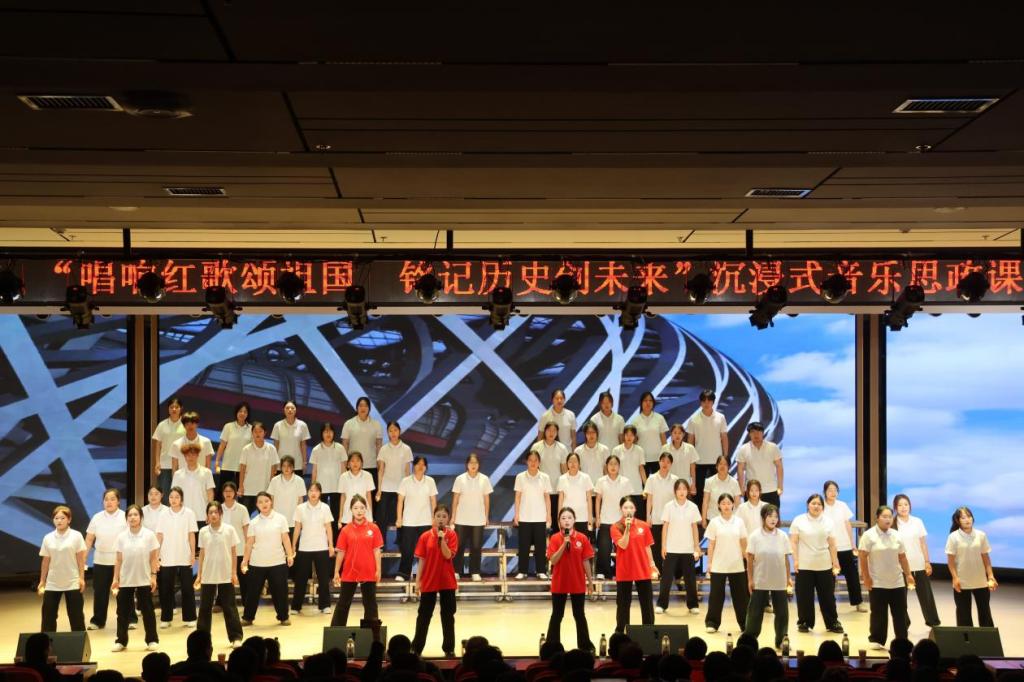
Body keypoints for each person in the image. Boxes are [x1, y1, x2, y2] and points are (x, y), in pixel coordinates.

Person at [859, 504, 914, 650]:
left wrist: (908, 574)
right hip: (877, 581)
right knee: (879, 613)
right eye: (884, 516)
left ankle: (902, 639)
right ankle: (877, 639)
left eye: (890, 516)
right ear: (877, 518)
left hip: (897, 581)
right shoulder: (869, 535)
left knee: (900, 613)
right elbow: (863, 557)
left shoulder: (896, 535)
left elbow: (902, 557)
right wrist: (866, 577)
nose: (887, 519)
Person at [791, 493, 843, 634]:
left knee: (828, 596)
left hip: (824, 565)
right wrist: (795, 560)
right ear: (808, 505)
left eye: (819, 504)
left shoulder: (828, 522)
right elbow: (794, 542)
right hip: (804, 565)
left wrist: (835, 561)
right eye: (813, 503)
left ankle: (832, 622)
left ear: (823, 507)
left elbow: (832, 544)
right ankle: (804, 622)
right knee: (804, 596)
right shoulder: (799, 520)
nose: (816, 506)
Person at [194, 501, 243, 648]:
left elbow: (234, 553)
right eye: (211, 512)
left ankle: (236, 637)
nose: (213, 515)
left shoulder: (229, 530)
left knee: (229, 606)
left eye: (216, 512)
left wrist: (234, 572)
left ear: (221, 513)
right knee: (204, 607)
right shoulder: (203, 531)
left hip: (225, 574)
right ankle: (202, 640)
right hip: (208, 574)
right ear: (207, 515)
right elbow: (202, 554)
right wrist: (199, 574)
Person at [412, 504, 459, 656]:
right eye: (438, 516)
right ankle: (416, 648)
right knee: (424, 616)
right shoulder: (425, 536)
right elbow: (422, 560)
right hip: (429, 579)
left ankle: (449, 649)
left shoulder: (452, 535)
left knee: (448, 616)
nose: (441, 519)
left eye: (444, 516)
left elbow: (448, 555)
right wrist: (418, 581)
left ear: (448, 519)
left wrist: (442, 540)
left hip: (447, 581)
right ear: (433, 517)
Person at [241, 491, 293, 626]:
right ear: (257, 505)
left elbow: (285, 538)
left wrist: (290, 554)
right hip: (257, 563)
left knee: (280, 592)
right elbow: (249, 543)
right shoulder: (253, 522)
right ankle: (248, 617)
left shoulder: (281, 519)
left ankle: (283, 617)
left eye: (266, 501)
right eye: (260, 502)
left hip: (277, 562)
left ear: (271, 502)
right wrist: (245, 561)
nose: (264, 504)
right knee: (252, 592)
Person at [111, 504, 159, 652]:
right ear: (126, 518)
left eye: (135, 515)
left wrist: (153, 576)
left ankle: (152, 640)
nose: (132, 518)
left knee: (148, 610)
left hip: (144, 578)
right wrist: (115, 579)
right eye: (130, 515)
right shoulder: (121, 537)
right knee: (122, 612)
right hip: (126, 579)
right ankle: (121, 641)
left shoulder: (149, 535)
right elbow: (118, 560)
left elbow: (154, 558)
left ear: (141, 517)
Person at [744, 504, 792, 651]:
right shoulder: (755, 536)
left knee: (782, 613)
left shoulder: (783, 536)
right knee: (754, 613)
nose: (773, 519)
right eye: (770, 516)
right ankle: (749, 641)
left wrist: (789, 578)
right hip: (760, 579)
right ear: (763, 518)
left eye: (776, 516)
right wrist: (750, 579)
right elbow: (750, 559)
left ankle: (781, 639)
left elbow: (786, 559)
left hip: (779, 580)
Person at [546, 507, 594, 651]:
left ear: (574, 520)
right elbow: (553, 560)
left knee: (579, 615)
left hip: (577, 582)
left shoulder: (582, 538)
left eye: (569, 518)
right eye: (563, 518)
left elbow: (586, 561)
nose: (566, 521)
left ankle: (585, 646)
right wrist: (563, 544)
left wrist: (590, 582)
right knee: (557, 615)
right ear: (559, 522)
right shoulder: (555, 538)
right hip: (559, 582)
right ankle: (552, 647)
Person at [331, 495, 383, 627]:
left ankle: (372, 634)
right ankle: (336, 632)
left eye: (362, 507)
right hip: (349, 572)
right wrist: (336, 571)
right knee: (343, 603)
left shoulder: (374, 528)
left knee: (370, 604)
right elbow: (341, 552)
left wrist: (378, 570)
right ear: (351, 510)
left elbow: (377, 551)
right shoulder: (345, 530)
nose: (359, 511)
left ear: (366, 509)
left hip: (369, 571)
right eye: (355, 508)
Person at [610, 496, 658, 633]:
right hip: (624, 570)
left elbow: (647, 546)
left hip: (642, 569)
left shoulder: (643, 526)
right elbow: (623, 545)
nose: (628, 510)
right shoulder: (615, 527)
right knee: (623, 604)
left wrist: (652, 564)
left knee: (647, 604)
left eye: (631, 507)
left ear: (635, 509)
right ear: (621, 509)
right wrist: (627, 528)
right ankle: (621, 632)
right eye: (625, 507)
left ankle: (649, 632)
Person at [893, 494, 940, 628]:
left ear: (910, 506)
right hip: (900, 567)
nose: (903, 507)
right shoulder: (893, 524)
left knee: (926, 597)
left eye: (906, 504)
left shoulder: (917, 521)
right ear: (895, 507)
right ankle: (903, 623)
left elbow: (923, 543)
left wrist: (927, 561)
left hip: (919, 564)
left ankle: (933, 622)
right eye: (900, 505)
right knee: (900, 598)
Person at [705, 493, 750, 634]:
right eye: (723, 503)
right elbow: (711, 545)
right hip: (718, 565)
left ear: (733, 505)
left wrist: (748, 560)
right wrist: (709, 563)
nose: (726, 506)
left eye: (728, 503)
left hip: (737, 565)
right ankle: (712, 623)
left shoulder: (739, 522)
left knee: (741, 597)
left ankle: (745, 624)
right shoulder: (714, 522)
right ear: (719, 505)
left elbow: (743, 542)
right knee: (716, 596)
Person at [945, 506, 996, 627]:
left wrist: (990, 576)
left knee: (985, 612)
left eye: (969, 516)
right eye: (963, 517)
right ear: (958, 521)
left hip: (980, 581)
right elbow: (950, 562)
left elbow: (985, 557)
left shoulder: (981, 535)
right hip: (962, 581)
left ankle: (987, 637)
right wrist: (955, 578)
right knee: (964, 615)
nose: (967, 519)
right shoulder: (953, 537)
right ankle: (966, 638)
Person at [39, 505, 87, 632]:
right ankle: (47, 643)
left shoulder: (76, 536)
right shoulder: (48, 537)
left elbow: (80, 559)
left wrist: (81, 578)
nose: (59, 521)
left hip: (72, 581)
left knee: (76, 616)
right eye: (56, 518)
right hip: (53, 582)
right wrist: (42, 580)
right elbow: (45, 561)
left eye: (62, 518)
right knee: (48, 617)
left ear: (69, 519)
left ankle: (79, 643)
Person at [657, 479, 702, 615]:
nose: (682, 491)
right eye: (679, 489)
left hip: (688, 548)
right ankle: (662, 604)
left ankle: (693, 605)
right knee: (666, 578)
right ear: (675, 491)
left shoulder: (693, 507)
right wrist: (663, 546)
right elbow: (665, 527)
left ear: (687, 491)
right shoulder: (669, 506)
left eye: (684, 489)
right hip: (671, 548)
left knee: (690, 578)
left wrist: (696, 546)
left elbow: (694, 528)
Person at [85, 488, 127, 630]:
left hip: (121, 561)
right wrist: (83, 559)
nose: (109, 502)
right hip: (100, 561)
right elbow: (89, 539)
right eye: (106, 499)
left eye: (112, 499)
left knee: (123, 592)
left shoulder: (125, 516)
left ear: (118, 501)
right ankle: (98, 621)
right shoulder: (97, 517)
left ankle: (128, 619)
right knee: (100, 592)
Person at [155, 487, 197, 628]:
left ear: (181, 499)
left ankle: (190, 617)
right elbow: (159, 535)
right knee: (166, 588)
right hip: (167, 555)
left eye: (177, 497)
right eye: (171, 497)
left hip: (184, 554)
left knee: (187, 588)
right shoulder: (163, 514)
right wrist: (156, 555)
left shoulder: (189, 513)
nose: (173, 500)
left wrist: (193, 554)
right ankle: (166, 618)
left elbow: (191, 535)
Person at [291, 482, 335, 615]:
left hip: (321, 547)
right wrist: (293, 545)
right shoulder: (300, 508)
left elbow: (328, 528)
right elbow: (297, 528)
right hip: (304, 548)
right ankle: (296, 606)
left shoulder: (325, 508)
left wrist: (331, 545)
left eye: (316, 491)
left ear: (320, 493)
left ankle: (325, 605)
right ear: (307, 493)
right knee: (301, 578)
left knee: (323, 579)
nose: (313, 493)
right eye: (311, 490)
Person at [822, 480, 866, 613]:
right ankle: (828, 604)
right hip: (828, 547)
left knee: (852, 575)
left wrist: (852, 543)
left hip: (844, 545)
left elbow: (847, 525)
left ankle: (858, 602)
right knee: (829, 577)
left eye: (835, 490)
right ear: (825, 492)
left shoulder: (842, 505)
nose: (833, 492)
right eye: (830, 490)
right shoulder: (821, 505)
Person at [396, 455, 438, 581]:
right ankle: (403, 574)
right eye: (418, 464)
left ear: (426, 467)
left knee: (426, 550)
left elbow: (433, 501)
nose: (420, 466)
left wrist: (434, 518)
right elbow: (400, 501)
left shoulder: (430, 481)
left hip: (425, 520)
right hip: (409, 521)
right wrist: (399, 518)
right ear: (413, 466)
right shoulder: (405, 481)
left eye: (423, 464)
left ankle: (427, 574)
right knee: (407, 550)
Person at [452, 453, 493, 581]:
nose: (473, 465)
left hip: (478, 519)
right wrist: (453, 517)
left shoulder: (484, 479)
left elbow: (487, 499)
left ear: (479, 464)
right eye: (471, 463)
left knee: (476, 547)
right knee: (459, 546)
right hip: (461, 518)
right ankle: (456, 571)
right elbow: (455, 499)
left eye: (475, 463)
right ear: (467, 465)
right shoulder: (460, 479)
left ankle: (475, 571)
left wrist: (486, 516)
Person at [513, 450, 552, 580]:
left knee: (540, 546)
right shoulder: (520, 477)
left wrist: (549, 515)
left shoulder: (545, 477)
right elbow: (517, 497)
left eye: (535, 460)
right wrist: (516, 514)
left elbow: (547, 498)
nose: (533, 463)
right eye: (530, 460)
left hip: (540, 517)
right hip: (524, 516)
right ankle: (522, 571)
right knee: (523, 546)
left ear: (539, 462)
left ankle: (541, 570)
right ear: (526, 462)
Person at [686, 389, 729, 506]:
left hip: (717, 461)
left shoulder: (720, 417)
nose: (706, 403)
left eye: (709, 400)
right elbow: (690, 441)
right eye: (704, 400)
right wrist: (690, 459)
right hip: (699, 461)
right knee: (699, 491)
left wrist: (725, 457)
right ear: (700, 402)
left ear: (713, 402)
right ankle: (700, 515)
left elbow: (724, 437)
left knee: (718, 489)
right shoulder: (693, 419)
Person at [594, 454, 632, 579]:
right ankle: (601, 571)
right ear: (606, 466)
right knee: (604, 547)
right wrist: (597, 517)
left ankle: (622, 571)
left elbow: (628, 501)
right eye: (610, 464)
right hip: (605, 519)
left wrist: (628, 517)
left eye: (615, 464)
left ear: (619, 466)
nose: (613, 466)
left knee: (622, 547)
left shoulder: (625, 481)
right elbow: (598, 500)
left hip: (620, 520)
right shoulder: (601, 481)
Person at [376, 420, 411, 547]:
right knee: (382, 516)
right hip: (386, 486)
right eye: (390, 431)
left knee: (400, 514)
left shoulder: (406, 449)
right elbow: (381, 470)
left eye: (395, 430)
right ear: (387, 433)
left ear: (399, 431)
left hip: (401, 487)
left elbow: (407, 471)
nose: (393, 433)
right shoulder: (384, 449)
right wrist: (379, 489)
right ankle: (382, 541)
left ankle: (400, 539)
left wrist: (408, 489)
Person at [342, 396, 383, 499]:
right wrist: (345, 462)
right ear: (356, 408)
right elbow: (345, 444)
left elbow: (379, 445)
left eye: (365, 406)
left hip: (371, 466)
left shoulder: (376, 424)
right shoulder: (348, 424)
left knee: (370, 497)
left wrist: (379, 462)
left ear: (369, 408)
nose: (363, 408)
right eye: (360, 405)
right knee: (352, 496)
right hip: (353, 466)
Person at [310, 422, 347, 533]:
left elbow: (343, 468)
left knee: (336, 515)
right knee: (321, 515)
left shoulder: (340, 448)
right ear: (322, 433)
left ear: (334, 433)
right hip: (322, 488)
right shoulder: (316, 449)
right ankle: (322, 537)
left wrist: (344, 485)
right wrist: (313, 487)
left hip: (337, 487)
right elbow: (314, 470)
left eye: (330, 431)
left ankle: (336, 539)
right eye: (325, 431)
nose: (328, 434)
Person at [735, 423, 783, 508]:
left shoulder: (773, 447)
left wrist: (780, 486)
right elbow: (740, 470)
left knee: (772, 515)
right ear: (749, 434)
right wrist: (741, 488)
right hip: (751, 491)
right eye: (753, 432)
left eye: (758, 431)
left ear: (763, 433)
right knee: (751, 516)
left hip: (771, 490)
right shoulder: (743, 449)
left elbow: (779, 466)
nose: (756, 434)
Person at [644, 452, 678, 572]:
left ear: (671, 464)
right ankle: (657, 571)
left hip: (671, 519)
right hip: (656, 517)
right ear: (659, 462)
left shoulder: (675, 479)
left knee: (671, 546)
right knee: (656, 546)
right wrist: (648, 516)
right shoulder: (651, 478)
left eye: (668, 462)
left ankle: (670, 572)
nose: (665, 464)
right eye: (663, 461)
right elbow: (649, 499)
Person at [531, 421, 569, 528]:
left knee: (557, 519)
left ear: (557, 433)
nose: (551, 433)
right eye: (549, 430)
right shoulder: (536, 447)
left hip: (557, 490)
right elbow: (533, 468)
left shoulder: (562, 448)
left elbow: (564, 470)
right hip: (541, 490)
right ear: (545, 431)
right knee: (542, 520)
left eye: (554, 431)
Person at [219, 482, 250, 610]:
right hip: (223, 550)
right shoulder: (218, 509)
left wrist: (248, 548)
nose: (228, 493)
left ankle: (247, 604)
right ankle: (221, 603)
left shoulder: (242, 509)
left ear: (235, 493)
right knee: (223, 578)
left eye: (231, 491)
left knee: (244, 579)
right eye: (226, 491)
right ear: (222, 493)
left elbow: (246, 529)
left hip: (240, 549)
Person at [171, 442, 216, 526]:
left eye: (193, 454)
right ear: (184, 457)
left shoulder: (207, 472)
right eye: (187, 455)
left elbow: (210, 493)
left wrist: (210, 512)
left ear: (198, 455)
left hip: (202, 515)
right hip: (183, 516)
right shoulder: (177, 474)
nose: (190, 457)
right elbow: (174, 496)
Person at [238, 422, 279, 506]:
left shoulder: (271, 449)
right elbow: (242, 469)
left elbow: (273, 469)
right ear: (252, 433)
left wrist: (271, 487)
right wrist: (241, 486)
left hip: (265, 489)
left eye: (260, 431)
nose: (258, 434)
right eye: (255, 431)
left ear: (265, 433)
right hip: (248, 489)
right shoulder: (246, 449)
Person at [214, 401, 252, 493]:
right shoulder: (228, 426)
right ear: (236, 412)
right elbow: (222, 445)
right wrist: (217, 461)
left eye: (245, 412)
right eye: (240, 411)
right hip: (228, 465)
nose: (242, 413)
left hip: (244, 467)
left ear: (247, 414)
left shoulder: (251, 428)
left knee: (241, 493)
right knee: (223, 492)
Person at [612, 425, 647, 519]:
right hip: (621, 488)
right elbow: (614, 469)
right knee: (622, 517)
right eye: (627, 435)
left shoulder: (639, 450)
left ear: (635, 437)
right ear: (623, 436)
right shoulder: (616, 450)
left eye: (631, 435)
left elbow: (641, 469)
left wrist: (646, 487)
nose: (629, 437)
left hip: (637, 488)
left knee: (638, 517)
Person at [151, 397, 185, 495]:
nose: (174, 409)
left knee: (180, 493)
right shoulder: (162, 425)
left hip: (181, 464)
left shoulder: (185, 425)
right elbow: (158, 445)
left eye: (176, 407)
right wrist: (157, 462)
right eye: (171, 407)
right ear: (168, 409)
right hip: (165, 463)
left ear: (181, 409)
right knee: (164, 493)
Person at [631, 391, 669, 477]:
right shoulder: (635, 420)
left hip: (658, 458)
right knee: (644, 484)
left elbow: (663, 439)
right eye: (645, 400)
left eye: (650, 400)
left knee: (659, 482)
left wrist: (666, 455)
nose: (648, 403)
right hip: (642, 459)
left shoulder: (659, 418)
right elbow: (634, 442)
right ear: (641, 403)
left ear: (653, 403)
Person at [266, 456, 307, 535]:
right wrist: (271, 514)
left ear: (293, 467)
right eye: (284, 466)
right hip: (277, 518)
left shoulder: (299, 481)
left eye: (289, 466)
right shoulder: (274, 480)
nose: (286, 468)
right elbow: (271, 499)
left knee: (293, 542)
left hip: (293, 518)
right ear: (281, 467)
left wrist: (299, 517)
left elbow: (300, 500)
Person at [557, 452, 594, 536]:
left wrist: (590, 516)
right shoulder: (562, 478)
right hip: (567, 517)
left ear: (579, 463)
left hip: (583, 516)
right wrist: (559, 517)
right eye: (570, 461)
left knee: (582, 540)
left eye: (575, 461)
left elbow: (589, 499)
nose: (573, 464)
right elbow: (560, 500)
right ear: (567, 464)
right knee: (567, 540)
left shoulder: (585, 477)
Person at [575, 421, 610, 506]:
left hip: (600, 490)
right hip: (584, 490)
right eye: (588, 433)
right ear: (585, 434)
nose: (591, 435)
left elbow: (606, 470)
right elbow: (577, 471)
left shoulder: (604, 449)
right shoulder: (578, 451)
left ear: (597, 433)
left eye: (593, 432)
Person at [271, 400, 311, 475]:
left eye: (292, 408)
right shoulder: (277, 425)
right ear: (284, 410)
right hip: (281, 464)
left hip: (297, 464)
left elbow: (303, 445)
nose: (290, 410)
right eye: (287, 408)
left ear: (296, 410)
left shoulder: (302, 425)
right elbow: (276, 446)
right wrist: (274, 462)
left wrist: (304, 462)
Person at [702, 455, 741, 528]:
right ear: (716, 466)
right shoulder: (709, 481)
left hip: (730, 519)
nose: (722, 466)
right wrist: (703, 519)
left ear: (729, 467)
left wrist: (738, 520)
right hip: (712, 518)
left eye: (725, 464)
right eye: (720, 464)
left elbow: (737, 504)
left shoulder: (734, 482)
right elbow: (705, 502)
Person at [338, 451, 375, 524]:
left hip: (363, 510)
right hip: (348, 511)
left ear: (361, 463)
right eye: (352, 461)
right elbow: (343, 497)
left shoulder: (368, 475)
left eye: (358, 460)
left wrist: (370, 514)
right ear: (348, 464)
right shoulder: (343, 477)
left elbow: (369, 496)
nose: (355, 463)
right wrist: (340, 516)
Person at [663, 424, 698, 492]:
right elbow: (663, 468)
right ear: (671, 434)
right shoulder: (665, 448)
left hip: (685, 483)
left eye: (680, 433)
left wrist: (693, 484)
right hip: (669, 483)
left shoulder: (690, 448)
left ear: (683, 434)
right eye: (675, 433)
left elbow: (693, 469)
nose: (677, 435)